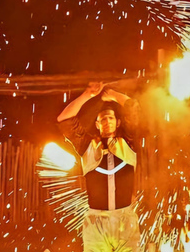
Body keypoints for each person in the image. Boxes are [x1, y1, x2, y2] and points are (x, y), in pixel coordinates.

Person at [57, 82, 141, 252]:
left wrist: (113, 95)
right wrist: (88, 95)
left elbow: (134, 108)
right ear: (97, 124)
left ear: (118, 123)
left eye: (111, 118)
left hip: (125, 219)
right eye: (102, 119)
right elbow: (63, 119)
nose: (107, 121)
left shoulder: (128, 142)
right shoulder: (87, 145)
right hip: (96, 222)